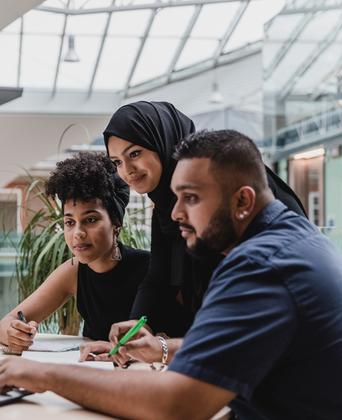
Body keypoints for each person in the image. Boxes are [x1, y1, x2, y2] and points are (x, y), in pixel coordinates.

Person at [0, 130, 342, 419]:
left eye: (190, 198)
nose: (175, 214)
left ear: (243, 200)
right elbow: (243, 344)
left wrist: (45, 373)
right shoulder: (291, 241)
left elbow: (176, 403)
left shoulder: (261, 264)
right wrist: (163, 348)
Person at [82, 101, 306, 362]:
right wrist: (133, 339)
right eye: (117, 162)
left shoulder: (228, 189)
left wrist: (164, 349)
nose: (126, 171)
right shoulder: (168, 206)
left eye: (134, 154)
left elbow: (245, 320)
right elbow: (158, 278)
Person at [0, 152, 149, 352]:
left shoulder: (150, 268)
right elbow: (5, 324)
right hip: (91, 372)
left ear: (116, 223)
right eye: (69, 222)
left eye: (91, 220)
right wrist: (14, 333)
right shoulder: (73, 271)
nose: (78, 233)